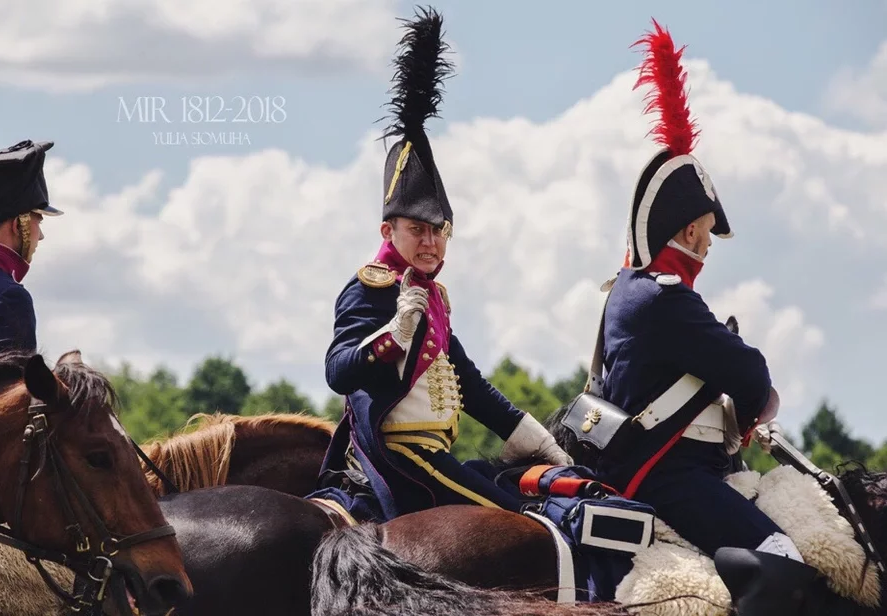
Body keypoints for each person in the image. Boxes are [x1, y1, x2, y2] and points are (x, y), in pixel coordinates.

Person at [311, 6, 571, 523]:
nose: (430, 243)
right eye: (417, 230)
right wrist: (394, 332)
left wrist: (535, 437)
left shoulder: (434, 295)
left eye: (438, 230)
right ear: (389, 231)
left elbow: (469, 385)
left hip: (433, 451)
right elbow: (337, 370)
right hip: (396, 455)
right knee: (518, 526)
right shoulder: (371, 287)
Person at [592, 21, 802, 563]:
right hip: (669, 473)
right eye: (706, 233)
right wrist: (751, 412)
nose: (708, 246)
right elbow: (751, 372)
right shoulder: (665, 297)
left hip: (658, 465)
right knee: (783, 557)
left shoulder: (628, 288)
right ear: (688, 231)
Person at [0, 139, 62, 353]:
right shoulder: (8, 300)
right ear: (19, 225)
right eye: (39, 221)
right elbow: (10, 387)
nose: (41, 236)